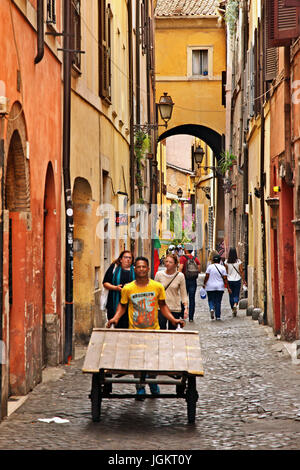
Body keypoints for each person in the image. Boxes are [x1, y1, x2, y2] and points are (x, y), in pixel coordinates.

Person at [107, 257, 185, 399]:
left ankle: (153, 382)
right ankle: (140, 387)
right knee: (136, 361)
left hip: (153, 330)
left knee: (153, 360)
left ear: (148, 269)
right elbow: (123, 306)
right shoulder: (128, 288)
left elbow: (163, 306)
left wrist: (173, 320)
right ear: (134, 269)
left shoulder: (157, 287)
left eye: (144, 267)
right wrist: (115, 318)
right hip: (135, 331)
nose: (141, 269)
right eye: (138, 267)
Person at [154, 253, 188, 329]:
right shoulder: (159, 275)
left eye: (170, 262)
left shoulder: (180, 276)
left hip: (175, 308)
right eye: (166, 261)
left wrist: (186, 308)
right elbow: (155, 292)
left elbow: (183, 293)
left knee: (172, 331)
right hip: (161, 308)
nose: (167, 264)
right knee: (161, 331)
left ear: (176, 264)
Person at [103, 250, 135, 329]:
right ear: (121, 259)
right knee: (115, 325)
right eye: (125, 257)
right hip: (113, 301)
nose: (128, 259)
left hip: (130, 303)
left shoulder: (135, 270)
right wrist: (116, 288)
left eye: (130, 258)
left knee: (127, 326)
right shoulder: (114, 268)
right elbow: (105, 283)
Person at [203, 254, 231, 321]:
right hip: (220, 287)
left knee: (210, 299)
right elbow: (225, 278)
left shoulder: (210, 267)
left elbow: (207, 276)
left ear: (212, 260)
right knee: (218, 301)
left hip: (210, 286)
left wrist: (204, 283)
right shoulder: (222, 268)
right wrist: (228, 287)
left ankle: (212, 308)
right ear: (220, 260)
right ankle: (218, 316)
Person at [179, 243, 201, 322]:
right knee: (192, 299)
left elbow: (181, 268)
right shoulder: (195, 258)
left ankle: (181, 315)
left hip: (184, 280)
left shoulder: (183, 258)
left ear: (186, 249)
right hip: (193, 280)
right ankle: (191, 317)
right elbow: (199, 270)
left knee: (183, 298)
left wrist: (178, 276)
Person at [224, 247, 247, 316]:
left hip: (229, 280)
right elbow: (241, 271)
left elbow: (226, 272)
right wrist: (244, 280)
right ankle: (235, 304)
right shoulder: (238, 262)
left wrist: (225, 281)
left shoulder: (226, 262)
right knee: (236, 294)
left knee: (231, 295)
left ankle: (232, 308)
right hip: (237, 280)